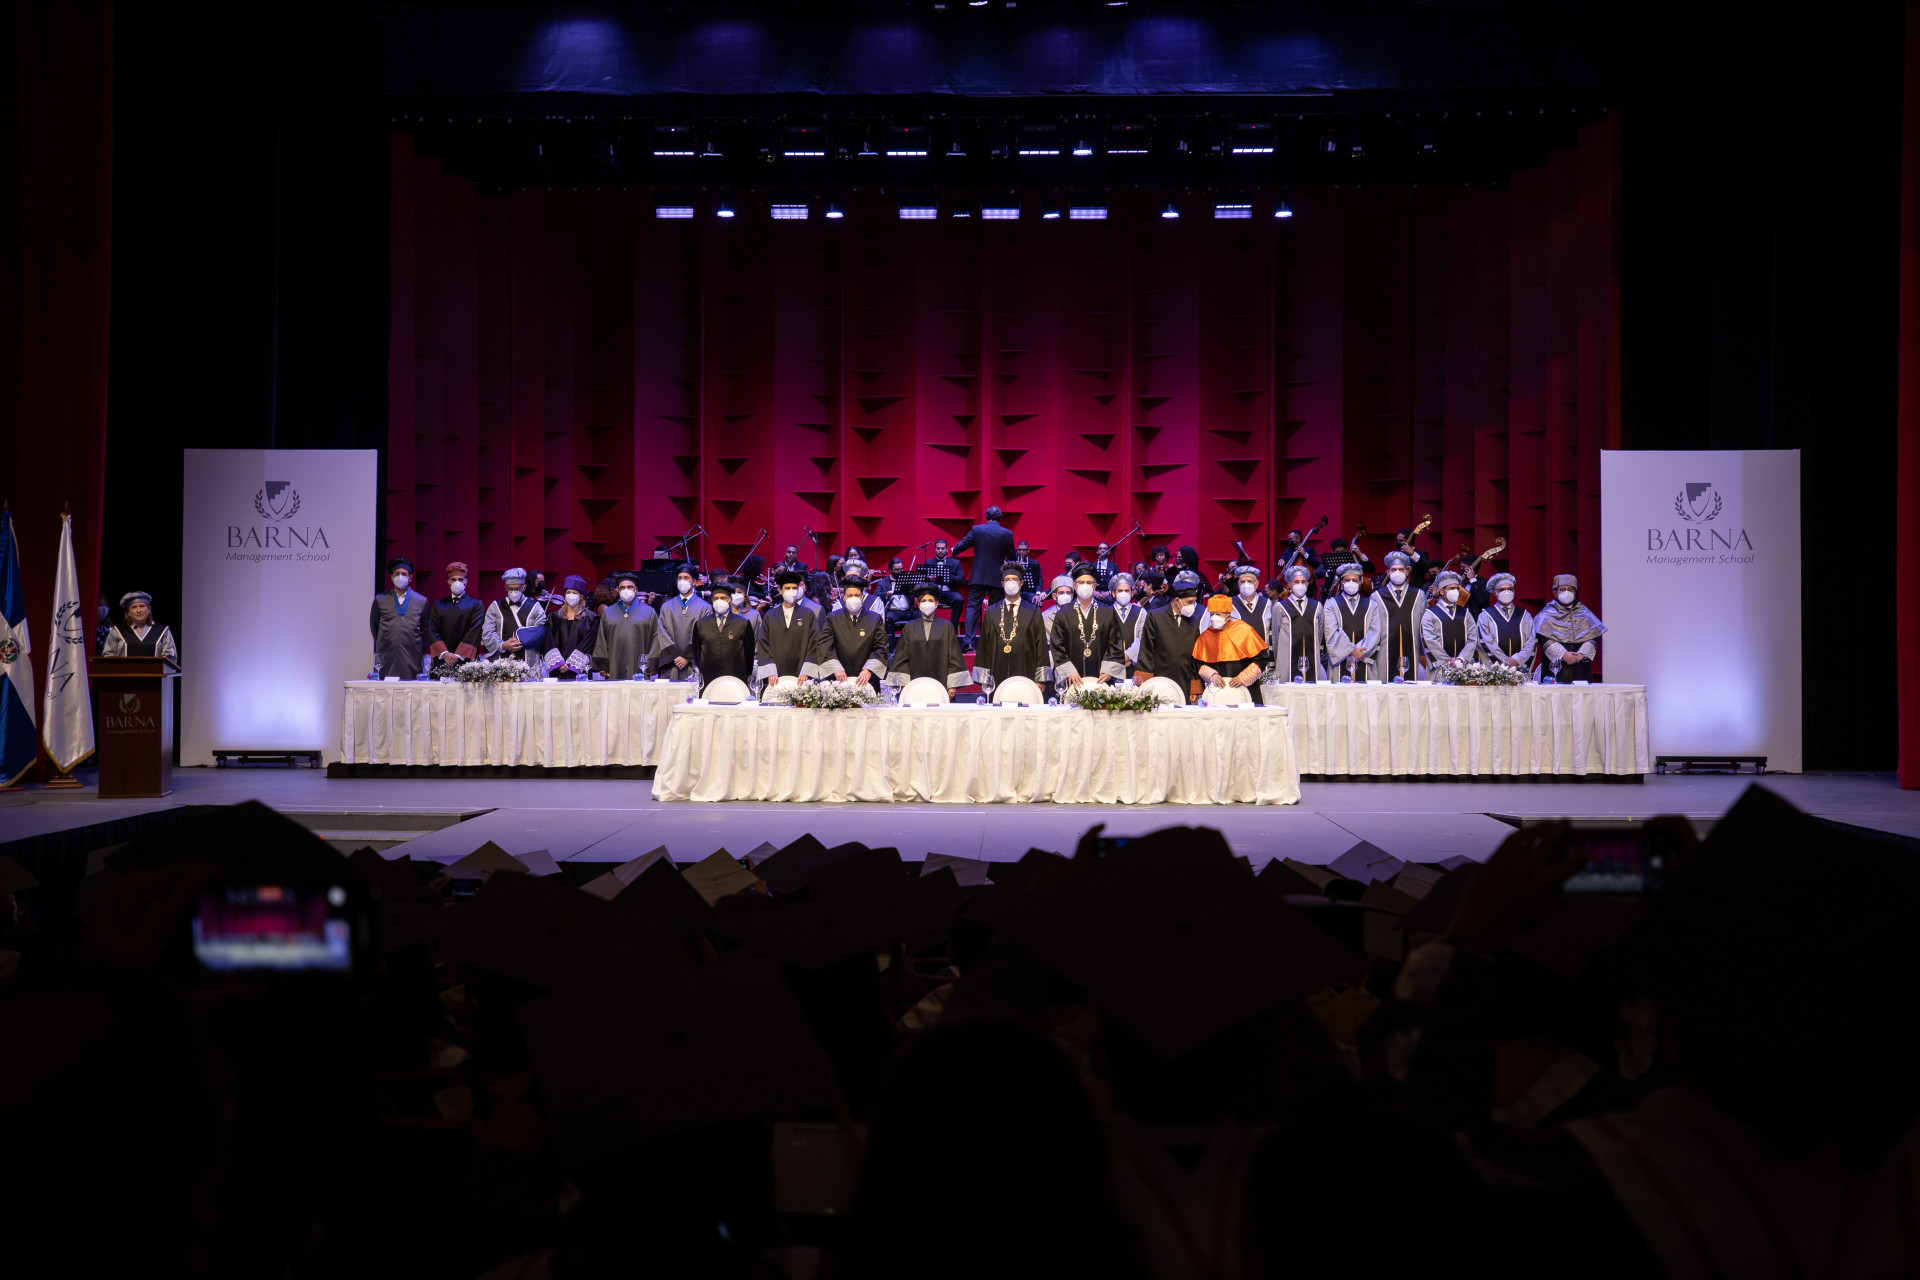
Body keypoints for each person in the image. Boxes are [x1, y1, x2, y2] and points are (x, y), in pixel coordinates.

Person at [970, 564, 1050, 695]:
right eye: (1007, 580)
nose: (1011, 583)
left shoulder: (1033, 611)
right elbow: (984, 647)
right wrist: (983, 679)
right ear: (1002, 583)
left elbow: (1041, 645)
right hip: (997, 671)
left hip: (1026, 669)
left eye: (1015, 579)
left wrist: (1041, 679)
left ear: (1021, 583)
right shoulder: (991, 611)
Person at [1049, 565, 1126, 691]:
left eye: (1089, 582)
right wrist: (1068, 671)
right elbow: (1057, 645)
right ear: (1075, 586)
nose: (1085, 585)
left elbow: (1115, 644)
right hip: (1072, 679)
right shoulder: (1063, 613)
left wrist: (1109, 671)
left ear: (1094, 586)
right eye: (1081, 582)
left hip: (1101, 680)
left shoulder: (1107, 612)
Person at [1134, 571, 1204, 699]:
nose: (1193, 607)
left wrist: (1194, 688)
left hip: (1185, 681)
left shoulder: (1194, 620)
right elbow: (1146, 651)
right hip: (1159, 680)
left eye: (1194, 602)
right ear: (1177, 600)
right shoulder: (1155, 616)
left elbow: (1195, 658)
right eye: (1189, 602)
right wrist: (1145, 684)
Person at [952, 505, 1015, 646]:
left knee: (973, 608)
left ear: (986, 517)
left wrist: (954, 550)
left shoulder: (977, 530)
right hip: (997, 577)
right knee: (995, 609)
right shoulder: (1007, 533)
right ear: (1000, 518)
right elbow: (1012, 556)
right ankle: (993, 641)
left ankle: (968, 642)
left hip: (978, 576)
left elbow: (962, 545)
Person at [887, 584, 968, 693]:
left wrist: (952, 686)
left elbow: (954, 657)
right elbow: (901, 658)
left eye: (930, 600)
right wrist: (903, 684)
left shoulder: (946, 626)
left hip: (942, 683)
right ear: (918, 604)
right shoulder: (909, 627)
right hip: (914, 684)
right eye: (923, 601)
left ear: (936, 603)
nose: (927, 603)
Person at [818, 572, 891, 689]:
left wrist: (868, 670)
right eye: (850, 595)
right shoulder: (832, 618)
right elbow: (824, 646)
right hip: (838, 679)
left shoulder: (875, 619)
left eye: (857, 595)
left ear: (862, 597)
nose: (853, 598)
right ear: (844, 598)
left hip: (867, 680)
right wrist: (836, 668)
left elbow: (881, 648)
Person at [1192, 594, 1269, 702]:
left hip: (1246, 689)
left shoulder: (1245, 630)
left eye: (1218, 614)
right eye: (1212, 614)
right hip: (1217, 691)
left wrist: (1243, 678)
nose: (1214, 617)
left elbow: (1262, 659)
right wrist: (1212, 675)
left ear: (1228, 616)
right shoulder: (1205, 636)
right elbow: (1198, 664)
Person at [754, 568, 823, 684]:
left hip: (802, 675)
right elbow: (763, 643)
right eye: (787, 588)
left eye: (794, 588)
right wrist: (770, 671)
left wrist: (807, 670)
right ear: (780, 590)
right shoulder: (770, 615)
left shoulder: (808, 614)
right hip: (775, 675)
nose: (791, 591)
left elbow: (815, 643)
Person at [1535, 573, 1605, 682]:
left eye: (1570, 589)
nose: (1566, 592)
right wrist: (1563, 654)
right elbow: (1543, 638)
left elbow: (1594, 635)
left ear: (1575, 591)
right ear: (1555, 592)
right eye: (1562, 589)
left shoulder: (1584, 612)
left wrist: (1581, 654)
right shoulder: (1546, 613)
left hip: (1580, 664)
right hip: (1556, 666)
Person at [370, 557, 430, 680]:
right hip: (386, 655)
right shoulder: (380, 599)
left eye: (404, 574)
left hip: (412, 656)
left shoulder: (421, 601)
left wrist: (416, 647)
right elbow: (374, 627)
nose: (400, 577)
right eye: (397, 574)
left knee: (411, 689)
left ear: (410, 578)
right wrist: (385, 641)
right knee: (385, 689)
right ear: (392, 577)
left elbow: (426, 630)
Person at [688, 581, 756, 692]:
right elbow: (696, 651)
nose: (719, 601)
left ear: (730, 600)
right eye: (716, 598)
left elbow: (749, 652)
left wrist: (748, 674)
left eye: (723, 598)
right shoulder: (701, 624)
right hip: (708, 677)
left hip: (736, 677)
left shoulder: (743, 623)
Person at [1373, 550, 1429, 682]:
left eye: (1401, 569)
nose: (1397, 572)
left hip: (1412, 649)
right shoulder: (1377, 596)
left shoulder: (1419, 595)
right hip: (1385, 653)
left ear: (1407, 571)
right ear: (1388, 572)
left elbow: (1425, 627)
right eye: (1394, 570)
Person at [1323, 561, 1383, 682]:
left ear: (1360, 581)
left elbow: (1374, 632)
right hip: (1340, 662)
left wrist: (1360, 653)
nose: (1351, 583)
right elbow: (1331, 632)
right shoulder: (1331, 604)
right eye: (1347, 580)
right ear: (1342, 582)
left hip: (1363, 659)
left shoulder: (1372, 605)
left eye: (1354, 580)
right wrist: (1352, 651)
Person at [651, 563, 710, 683]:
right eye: (680, 578)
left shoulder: (705, 607)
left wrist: (686, 656)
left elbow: (704, 634)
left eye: (686, 578)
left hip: (693, 663)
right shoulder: (667, 606)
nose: (682, 581)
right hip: (671, 662)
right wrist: (676, 656)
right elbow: (662, 633)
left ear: (694, 582)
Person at [593, 572, 658, 679]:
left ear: (636, 590)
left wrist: (652, 664)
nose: (626, 590)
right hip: (614, 665)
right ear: (618, 591)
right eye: (622, 588)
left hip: (640, 666)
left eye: (630, 587)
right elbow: (601, 640)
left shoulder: (649, 612)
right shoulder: (608, 612)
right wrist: (603, 665)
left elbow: (655, 639)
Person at [426, 562, 485, 670]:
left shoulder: (476, 604)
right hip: (442, 659)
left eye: (460, 579)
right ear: (448, 581)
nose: (457, 582)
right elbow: (432, 629)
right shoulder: (439, 604)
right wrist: (445, 653)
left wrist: (458, 655)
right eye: (453, 579)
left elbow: (475, 631)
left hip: (466, 660)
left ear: (466, 582)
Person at [1273, 564, 1325, 683]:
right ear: (1290, 584)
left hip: (1312, 657)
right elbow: (1276, 634)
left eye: (1303, 581)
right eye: (1296, 582)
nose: (1300, 585)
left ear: (1307, 583)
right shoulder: (1280, 607)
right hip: (1287, 660)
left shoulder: (1317, 606)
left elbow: (1320, 633)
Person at [1475, 572, 1535, 673]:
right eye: (1502, 590)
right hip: (1495, 668)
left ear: (1514, 591)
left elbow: (1531, 640)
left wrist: (1517, 659)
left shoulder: (1525, 615)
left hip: (1519, 666)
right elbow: (1485, 641)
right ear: (1495, 593)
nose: (1506, 592)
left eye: (1510, 589)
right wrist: (1506, 661)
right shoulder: (1486, 615)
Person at [1421, 570, 1479, 672]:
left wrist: (1460, 659)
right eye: (1452, 588)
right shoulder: (1430, 614)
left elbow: (1473, 638)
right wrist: (1447, 661)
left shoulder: (1465, 613)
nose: (1456, 591)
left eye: (1457, 588)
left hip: (1463, 667)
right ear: (1442, 591)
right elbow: (1429, 640)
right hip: (1440, 668)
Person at [543, 576, 600, 679]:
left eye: (574, 592)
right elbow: (549, 641)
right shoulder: (553, 618)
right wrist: (559, 663)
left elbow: (588, 643)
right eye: (568, 592)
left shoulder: (591, 619)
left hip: (580, 671)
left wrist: (571, 664)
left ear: (581, 596)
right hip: (558, 671)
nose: (571, 595)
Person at [481, 567, 546, 659]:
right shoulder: (495, 606)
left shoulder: (535, 607)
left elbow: (540, 632)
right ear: (505, 588)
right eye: (510, 589)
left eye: (517, 589)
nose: (513, 592)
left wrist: (523, 640)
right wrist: (503, 645)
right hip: (501, 661)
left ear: (524, 587)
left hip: (529, 661)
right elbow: (487, 633)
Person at [99, 591, 178, 663]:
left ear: (149, 609)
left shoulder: (162, 631)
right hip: (125, 674)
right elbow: (108, 656)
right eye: (134, 607)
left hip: (155, 674)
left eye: (142, 606)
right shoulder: (117, 631)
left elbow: (170, 658)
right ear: (128, 612)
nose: (138, 610)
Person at [1229, 564, 1275, 659]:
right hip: (1239, 658)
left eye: (1249, 581)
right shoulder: (1230, 603)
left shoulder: (1266, 603)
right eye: (1243, 581)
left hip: (1262, 658)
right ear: (1238, 584)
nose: (1246, 584)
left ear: (1256, 584)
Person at [921, 539, 966, 635]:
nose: (940, 550)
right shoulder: (928, 562)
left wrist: (947, 576)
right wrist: (929, 578)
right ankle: (929, 629)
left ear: (947, 549)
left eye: (942, 548)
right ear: (935, 549)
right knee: (923, 599)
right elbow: (921, 579)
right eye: (938, 548)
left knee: (959, 600)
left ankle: (952, 629)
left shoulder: (955, 563)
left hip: (950, 592)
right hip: (934, 592)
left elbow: (961, 579)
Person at [1107, 573, 1146, 676]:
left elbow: (1143, 638)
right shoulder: (1106, 612)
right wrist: (1117, 661)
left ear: (1132, 593)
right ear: (1113, 594)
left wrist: (1128, 657)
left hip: (1134, 666)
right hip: (1111, 667)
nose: (1123, 593)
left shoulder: (1141, 612)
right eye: (1120, 591)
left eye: (1127, 590)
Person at [1040, 575, 1075, 648]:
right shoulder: (1045, 617)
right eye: (1061, 593)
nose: (1065, 595)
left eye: (1068, 593)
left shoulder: (1079, 614)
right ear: (1054, 596)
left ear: (1072, 596)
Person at [1009, 539, 1043, 605]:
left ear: (1028, 550)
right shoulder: (1012, 563)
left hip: (1030, 592)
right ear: (1017, 550)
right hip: (1014, 592)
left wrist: (1038, 594)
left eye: (1024, 550)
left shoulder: (1035, 563)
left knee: (1036, 602)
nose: (1021, 552)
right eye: (1019, 550)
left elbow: (1039, 580)